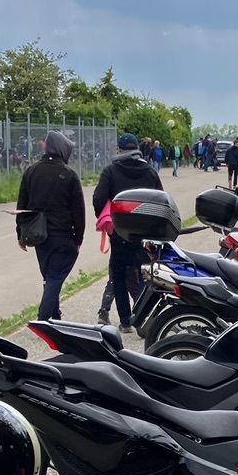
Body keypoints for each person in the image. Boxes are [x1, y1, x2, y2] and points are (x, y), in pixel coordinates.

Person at [93, 133, 163, 331]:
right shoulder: (150, 172)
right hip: (144, 234)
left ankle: (125, 322)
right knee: (146, 276)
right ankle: (143, 316)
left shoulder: (111, 171)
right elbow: (161, 199)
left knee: (119, 276)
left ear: (120, 150)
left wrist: (109, 220)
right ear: (137, 150)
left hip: (120, 232)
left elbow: (98, 199)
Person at [15, 130, 85, 320]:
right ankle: (44, 318)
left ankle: (54, 317)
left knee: (49, 278)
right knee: (54, 278)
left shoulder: (31, 171)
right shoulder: (69, 175)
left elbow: (21, 206)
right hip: (63, 236)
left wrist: (20, 233)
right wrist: (79, 238)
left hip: (39, 236)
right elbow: (78, 212)